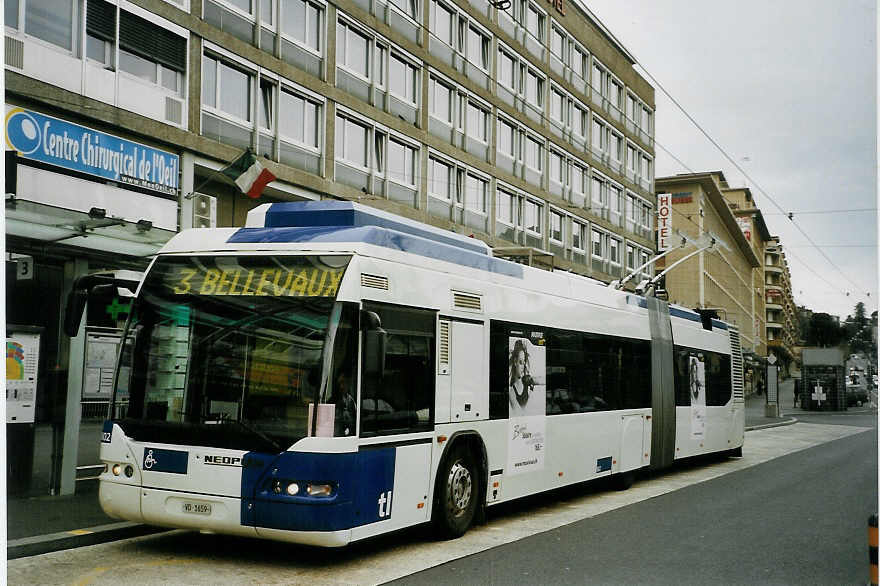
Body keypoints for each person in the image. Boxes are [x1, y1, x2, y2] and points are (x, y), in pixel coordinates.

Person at [509, 339, 536, 414]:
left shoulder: (528, 381)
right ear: (515, 362)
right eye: (520, 362)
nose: (523, 366)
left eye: (524, 363)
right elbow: (520, 414)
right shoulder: (512, 392)